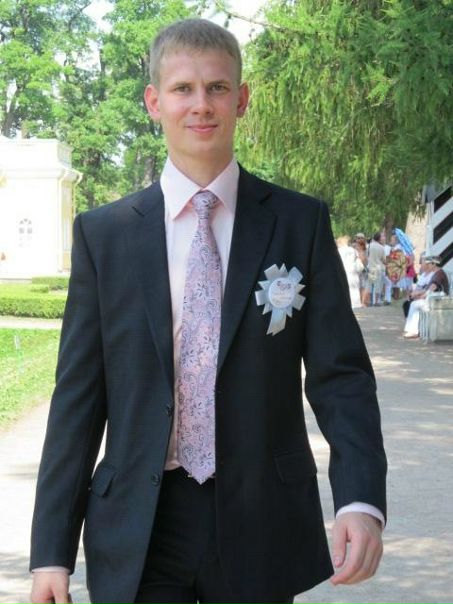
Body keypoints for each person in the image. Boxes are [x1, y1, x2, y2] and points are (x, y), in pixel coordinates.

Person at [30, 18, 387, 604]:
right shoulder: (104, 235)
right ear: (155, 102)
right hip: (140, 526)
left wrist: (360, 499)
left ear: (241, 100)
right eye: (183, 89)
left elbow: (341, 376)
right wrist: (51, 552)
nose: (201, 104)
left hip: (260, 518)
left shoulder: (298, 223)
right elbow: (78, 397)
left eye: (217, 87)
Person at [403, 255, 450, 338]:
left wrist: (422, 296)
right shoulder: (437, 273)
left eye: (429, 264)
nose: (427, 266)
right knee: (414, 303)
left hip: (438, 302)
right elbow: (428, 289)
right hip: (435, 300)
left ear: (434, 264)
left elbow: (432, 288)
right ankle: (412, 330)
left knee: (415, 304)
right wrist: (420, 295)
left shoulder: (439, 274)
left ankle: (413, 331)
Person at [336, 235, 363, 308]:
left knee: (344, 287)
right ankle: (356, 304)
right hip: (353, 271)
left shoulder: (338, 251)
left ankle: (345, 303)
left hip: (343, 270)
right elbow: (357, 259)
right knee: (355, 288)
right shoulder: (353, 250)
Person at [367, 232, 386, 306]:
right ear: (379, 238)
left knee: (370, 285)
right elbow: (384, 260)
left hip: (371, 267)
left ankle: (370, 301)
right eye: (382, 237)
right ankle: (376, 301)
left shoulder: (369, 246)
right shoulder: (381, 247)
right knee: (377, 286)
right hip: (378, 268)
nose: (383, 238)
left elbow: (367, 256)